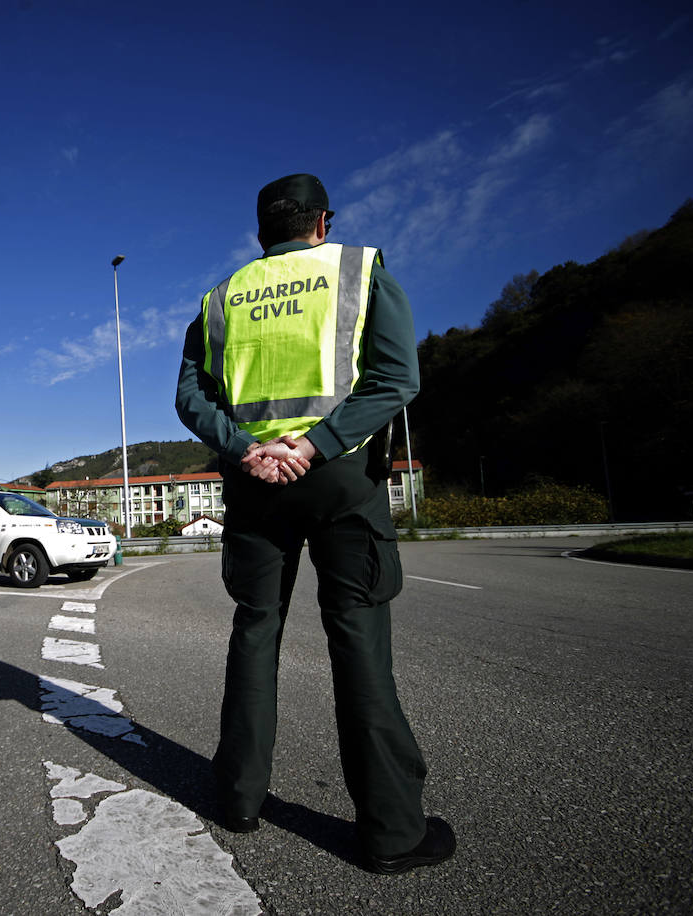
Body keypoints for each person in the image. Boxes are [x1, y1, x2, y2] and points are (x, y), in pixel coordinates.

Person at [174, 173, 455, 874]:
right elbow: (394, 380)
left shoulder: (221, 299)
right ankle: (392, 831)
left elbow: (189, 397)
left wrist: (247, 448)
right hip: (339, 478)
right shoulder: (359, 270)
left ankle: (238, 800)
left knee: (255, 632)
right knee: (357, 638)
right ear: (321, 222)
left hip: (253, 484)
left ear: (260, 233)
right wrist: (314, 444)